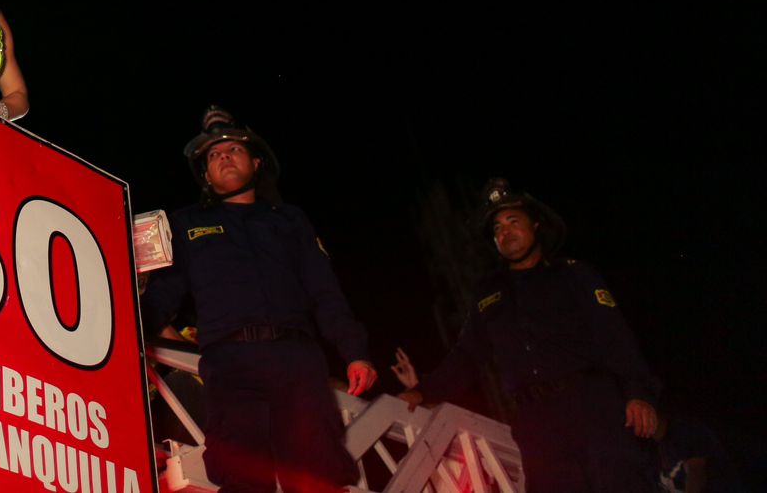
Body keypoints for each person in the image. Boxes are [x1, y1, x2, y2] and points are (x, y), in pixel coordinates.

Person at [138, 107, 377, 493]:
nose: (223, 158)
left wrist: (354, 350)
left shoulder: (290, 220)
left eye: (232, 149)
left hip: (298, 362)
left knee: (319, 476)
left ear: (256, 161)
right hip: (230, 365)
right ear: (205, 175)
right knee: (242, 476)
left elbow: (325, 291)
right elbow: (161, 297)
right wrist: (125, 330)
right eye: (213, 155)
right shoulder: (184, 225)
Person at [399, 178, 662, 492]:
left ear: (536, 225)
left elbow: (615, 336)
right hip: (535, 423)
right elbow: (466, 357)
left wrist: (639, 394)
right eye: (497, 228)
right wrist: (423, 391)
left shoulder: (574, 274)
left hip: (594, 409)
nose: (504, 231)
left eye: (513, 221)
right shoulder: (489, 294)